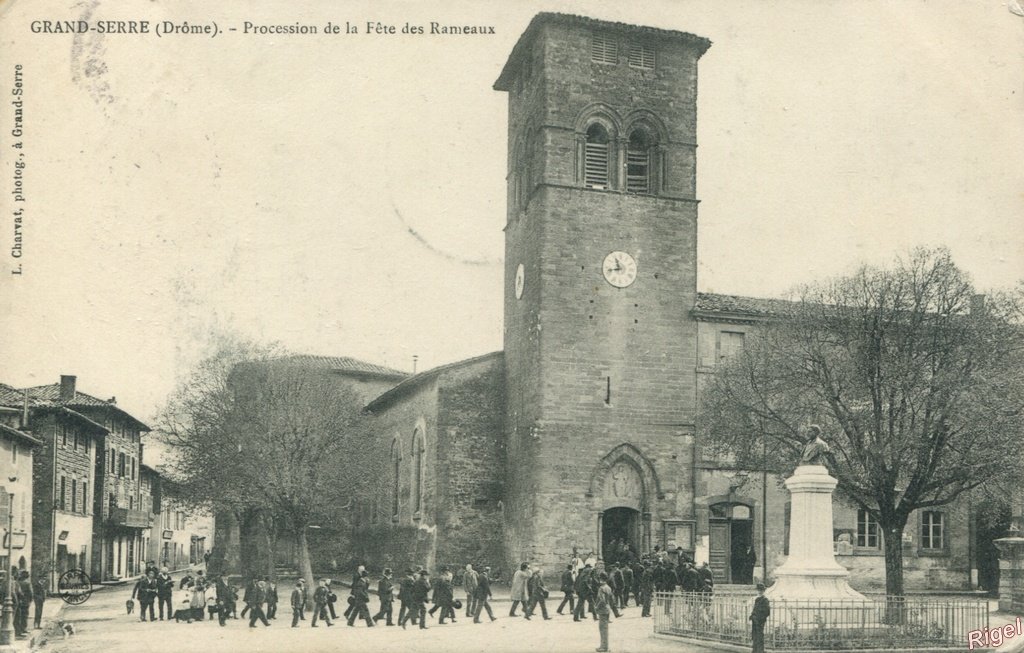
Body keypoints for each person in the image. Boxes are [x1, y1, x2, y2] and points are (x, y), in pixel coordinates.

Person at [594, 571, 620, 653]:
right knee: (605, 629)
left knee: (602, 629)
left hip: (602, 610)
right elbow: (612, 600)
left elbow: (602, 600)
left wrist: (596, 607)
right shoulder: (608, 587)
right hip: (607, 609)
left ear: (600, 578)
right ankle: (604, 646)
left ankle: (604, 647)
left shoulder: (601, 588)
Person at [750, 583, 770, 653]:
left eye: (761, 590)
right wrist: (752, 616)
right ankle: (755, 650)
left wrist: (759, 618)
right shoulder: (757, 599)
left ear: (764, 591)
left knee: (759, 637)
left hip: (760, 621)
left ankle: (760, 651)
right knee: (754, 636)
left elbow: (767, 612)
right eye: (758, 590)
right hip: (754, 620)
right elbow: (754, 609)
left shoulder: (765, 600)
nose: (760, 592)